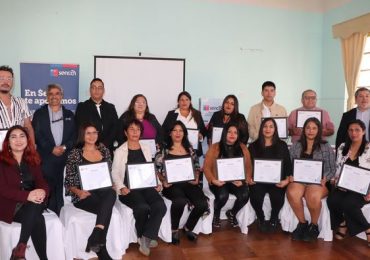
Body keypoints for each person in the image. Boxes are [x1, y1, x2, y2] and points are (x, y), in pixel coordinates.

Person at [112, 119, 166, 256]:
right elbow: (115, 173)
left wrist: (158, 183)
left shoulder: (146, 148)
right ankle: (144, 236)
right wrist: (121, 187)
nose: (135, 132)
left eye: (138, 129)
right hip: (128, 189)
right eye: (131, 129)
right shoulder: (120, 151)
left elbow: (151, 169)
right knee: (142, 207)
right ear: (125, 132)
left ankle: (146, 237)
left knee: (160, 205)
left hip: (145, 186)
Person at [64, 123, 116, 260]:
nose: (92, 136)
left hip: (103, 191)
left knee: (111, 193)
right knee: (106, 208)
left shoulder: (104, 149)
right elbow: (68, 182)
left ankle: (96, 236)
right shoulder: (75, 153)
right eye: (88, 133)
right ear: (82, 135)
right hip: (84, 195)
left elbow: (108, 173)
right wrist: (78, 192)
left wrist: (111, 183)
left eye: (95, 132)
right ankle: (100, 247)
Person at [155, 121, 209, 244]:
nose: (178, 133)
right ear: (170, 133)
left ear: (184, 133)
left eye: (181, 130)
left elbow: (196, 166)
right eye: (175, 130)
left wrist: (196, 178)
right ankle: (174, 230)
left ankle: (188, 227)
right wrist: (163, 180)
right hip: (171, 185)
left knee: (202, 203)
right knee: (180, 201)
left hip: (188, 183)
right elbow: (156, 170)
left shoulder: (189, 149)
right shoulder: (164, 150)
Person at [0, 125, 49, 260]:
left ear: (27, 140)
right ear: (7, 141)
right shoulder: (1, 160)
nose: (18, 140)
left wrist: (42, 191)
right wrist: (27, 195)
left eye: (22, 136)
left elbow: (42, 181)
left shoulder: (32, 158)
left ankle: (20, 249)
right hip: (10, 205)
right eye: (13, 137)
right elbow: (2, 189)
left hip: (31, 203)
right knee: (38, 216)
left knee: (36, 207)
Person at [287, 117, 336, 242]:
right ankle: (302, 223)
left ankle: (314, 226)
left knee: (312, 195)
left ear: (318, 130)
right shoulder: (296, 145)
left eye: (314, 128)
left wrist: (326, 178)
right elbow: (289, 164)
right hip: (299, 180)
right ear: (304, 130)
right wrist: (291, 175)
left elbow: (332, 168)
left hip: (319, 181)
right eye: (308, 128)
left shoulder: (326, 147)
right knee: (292, 192)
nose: (310, 131)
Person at [32, 84, 75, 215]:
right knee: (48, 188)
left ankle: (62, 216)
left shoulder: (69, 114)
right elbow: (37, 135)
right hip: (47, 158)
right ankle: (50, 217)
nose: (54, 96)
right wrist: (51, 149)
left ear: (61, 96)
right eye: (51, 94)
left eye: (57, 93)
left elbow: (74, 135)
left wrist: (64, 147)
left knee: (62, 189)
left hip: (65, 157)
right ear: (47, 97)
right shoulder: (39, 114)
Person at [327, 119, 370, 247]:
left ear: (363, 131)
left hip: (362, 190)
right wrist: (336, 181)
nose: (353, 133)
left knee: (348, 204)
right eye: (351, 130)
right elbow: (336, 169)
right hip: (344, 187)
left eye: (357, 130)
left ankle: (367, 229)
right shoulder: (342, 147)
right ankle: (342, 223)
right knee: (332, 201)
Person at [204, 122, 251, 228]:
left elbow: (248, 167)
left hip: (237, 181)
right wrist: (213, 180)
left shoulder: (243, 148)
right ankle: (216, 214)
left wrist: (244, 181)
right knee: (222, 196)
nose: (232, 135)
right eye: (229, 132)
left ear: (238, 135)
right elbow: (206, 167)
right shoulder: (215, 147)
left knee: (245, 195)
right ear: (224, 133)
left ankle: (232, 213)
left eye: (235, 132)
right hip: (218, 181)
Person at [248, 118, 292, 232]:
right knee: (256, 196)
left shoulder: (282, 145)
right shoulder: (253, 146)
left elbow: (287, 164)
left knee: (277, 197)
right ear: (261, 129)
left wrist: (287, 180)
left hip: (277, 181)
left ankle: (274, 218)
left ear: (275, 129)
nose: (268, 129)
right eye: (265, 126)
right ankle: (261, 217)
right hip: (258, 181)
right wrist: (249, 178)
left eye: (271, 126)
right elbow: (248, 166)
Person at [75, 78, 118, 154]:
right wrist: (93, 145)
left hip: (107, 150)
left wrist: (105, 145)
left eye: (99, 88)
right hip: (87, 150)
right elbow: (79, 128)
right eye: (93, 87)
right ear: (90, 90)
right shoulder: (82, 107)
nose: (96, 90)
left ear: (103, 91)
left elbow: (115, 128)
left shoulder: (110, 107)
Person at [162, 91, 207, 156]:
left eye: (187, 100)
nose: (184, 102)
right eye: (182, 100)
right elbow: (164, 131)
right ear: (178, 102)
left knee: (194, 165)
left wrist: (201, 136)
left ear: (190, 101)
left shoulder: (197, 114)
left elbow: (203, 130)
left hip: (194, 150)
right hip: (175, 150)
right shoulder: (171, 114)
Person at [0, 65, 35, 143]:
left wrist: (32, 149)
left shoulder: (21, 102)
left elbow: (28, 126)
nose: (6, 82)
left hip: (19, 150)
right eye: (2, 78)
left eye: (9, 78)